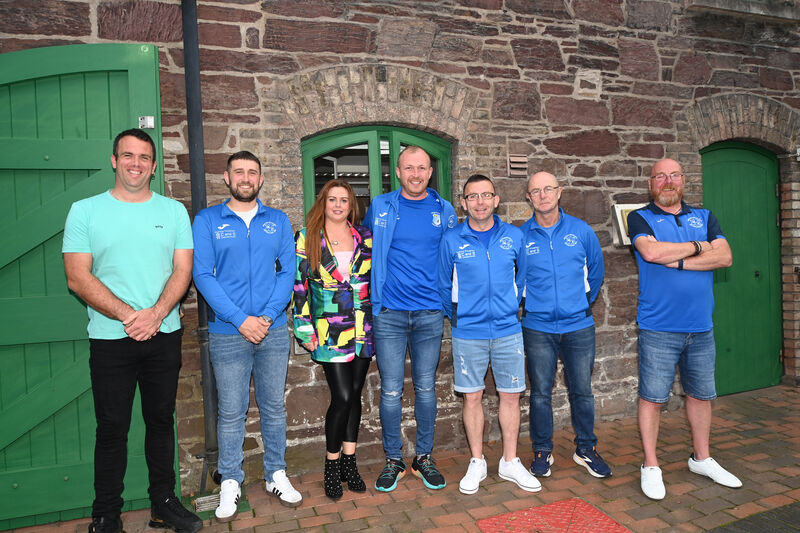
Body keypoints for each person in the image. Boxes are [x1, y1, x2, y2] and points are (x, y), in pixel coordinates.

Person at [62, 129, 202, 533]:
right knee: (112, 428)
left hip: (164, 334)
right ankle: (106, 514)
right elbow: (77, 276)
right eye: (128, 155)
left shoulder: (173, 212)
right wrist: (130, 316)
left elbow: (183, 270)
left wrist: (156, 314)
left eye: (143, 157)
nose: (135, 163)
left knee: (160, 421)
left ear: (154, 166)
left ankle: (163, 504)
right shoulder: (85, 211)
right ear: (114, 160)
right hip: (110, 339)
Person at [192, 151, 299, 522]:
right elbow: (202, 275)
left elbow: (287, 272)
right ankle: (230, 480)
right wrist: (240, 320)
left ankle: (276, 473)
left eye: (252, 172)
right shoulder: (208, 220)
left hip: (273, 330)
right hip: (228, 332)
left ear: (261, 179)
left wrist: (265, 317)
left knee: (273, 407)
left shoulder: (277, 220)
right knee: (231, 411)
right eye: (238, 171)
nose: (246, 177)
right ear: (227, 178)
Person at [627, 158, 740, 500]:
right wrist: (697, 248)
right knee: (652, 398)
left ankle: (701, 459)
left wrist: (675, 261)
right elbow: (650, 252)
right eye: (660, 176)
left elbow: (725, 257)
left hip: (701, 327)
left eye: (674, 175)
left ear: (683, 180)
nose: (668, 181)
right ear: (651, 183)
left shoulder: (704, 217)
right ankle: (650, 465)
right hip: (658, 328)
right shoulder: (640, 217)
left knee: (701, 396)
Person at [439, 174, 541, 495]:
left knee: (510, 395)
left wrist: (511, 307)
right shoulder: (452, 240)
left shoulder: (514, 236)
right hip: (468, 331)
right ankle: (477, 460)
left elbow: (522, 278)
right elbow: (443, 285)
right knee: (472, 396)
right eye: (473, 196)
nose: (480, 202)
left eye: (486, 195)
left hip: (508, 329)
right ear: (463, 203)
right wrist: (460, 316)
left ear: (496, 200)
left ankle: (510, 461)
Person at [364, 146, 457, 492]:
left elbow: (455, 257)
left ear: (430, 173)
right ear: (398, 172)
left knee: (426, 388)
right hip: (389, 312)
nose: (415, 174)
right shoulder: (380, 206)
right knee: (391, 390)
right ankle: (393, 459)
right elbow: (363, 249)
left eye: (422, 168)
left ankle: (424, 457)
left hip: (430, 312)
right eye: (409, 168)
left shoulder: (445, 211)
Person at [519, 171, 611, 480]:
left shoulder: (581, 231)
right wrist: (531, 305)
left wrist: (581, 304)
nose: (543, 195)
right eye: (536, 191)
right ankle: (542, 450)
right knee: (540, 393)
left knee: (582, 390)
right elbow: (516, 278)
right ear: (529, 197)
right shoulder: (521, 236)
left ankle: (586, 448)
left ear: (559, 192)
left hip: (578, 326)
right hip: (538, 326)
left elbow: (596, 271)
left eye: (548, 189)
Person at [293, 180, 373, 500]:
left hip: (362, 328)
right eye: (332, 199)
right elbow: (300, 288)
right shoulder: (307, 237)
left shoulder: (364, 237)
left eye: (344, 200)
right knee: (342, 395)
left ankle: (349, 463)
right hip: (330, 330)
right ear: (323, 203)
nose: (338, 205)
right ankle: (331, 464)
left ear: (351, 205)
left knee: (355, 395)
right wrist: (304, 330)